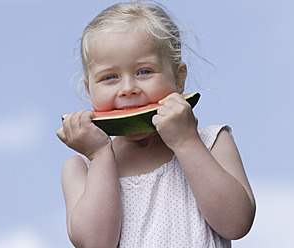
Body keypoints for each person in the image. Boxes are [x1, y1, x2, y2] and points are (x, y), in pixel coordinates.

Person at [56, 1, 256, 247]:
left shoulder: (212, 141)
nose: (128, 89)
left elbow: (237, 224)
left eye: (144, 72)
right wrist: (99, 156)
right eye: (110, 77)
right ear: (89, 89)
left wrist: (186, 142)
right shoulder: (81, 168)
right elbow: (96, 243)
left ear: (179, 77)